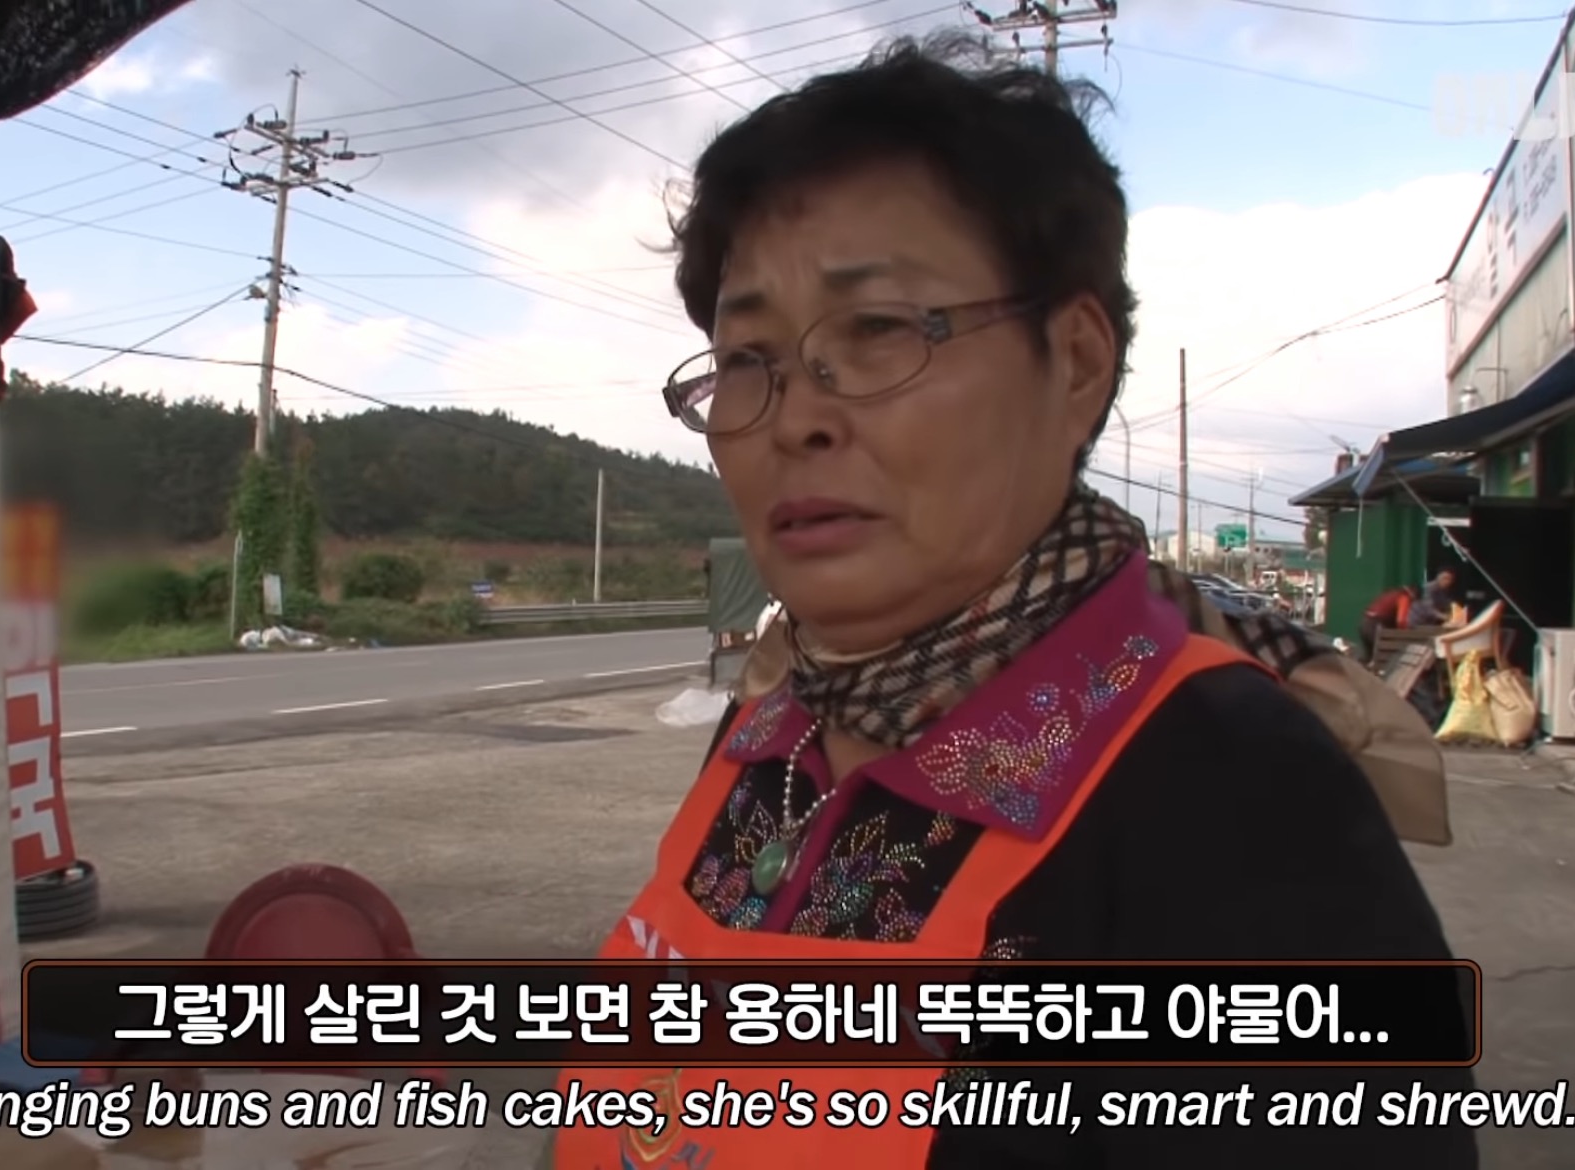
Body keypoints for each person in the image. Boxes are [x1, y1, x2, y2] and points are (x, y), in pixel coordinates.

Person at [550, 33, 1471, 1169]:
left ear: (1074, 361)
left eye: (877, 330)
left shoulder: (1239, 790)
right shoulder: (769, 726)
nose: (794, 420)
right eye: (747, 359)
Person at [1357, 584, 1416, 663]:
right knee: (1386, 655)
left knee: (1368, 657)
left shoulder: (1390, 594)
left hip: (1364, 622)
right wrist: (1405, 634)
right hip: (1376, 625)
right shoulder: (1404, 597)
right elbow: (1401, 621)